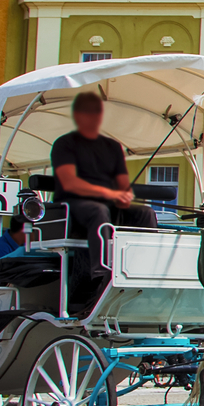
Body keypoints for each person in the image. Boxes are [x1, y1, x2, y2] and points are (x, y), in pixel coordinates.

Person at [50, 91, 157, 286]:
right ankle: (101, 270)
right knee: (98, 211)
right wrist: (109, 193)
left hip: (109, 205)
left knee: (146, 213)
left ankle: (145, 268)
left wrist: (124, 195)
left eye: (96, 112)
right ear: (77, 115)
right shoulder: (64, 144)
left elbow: (122, 182)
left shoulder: (112, 147)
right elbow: (70, 182)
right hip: (74, 205)